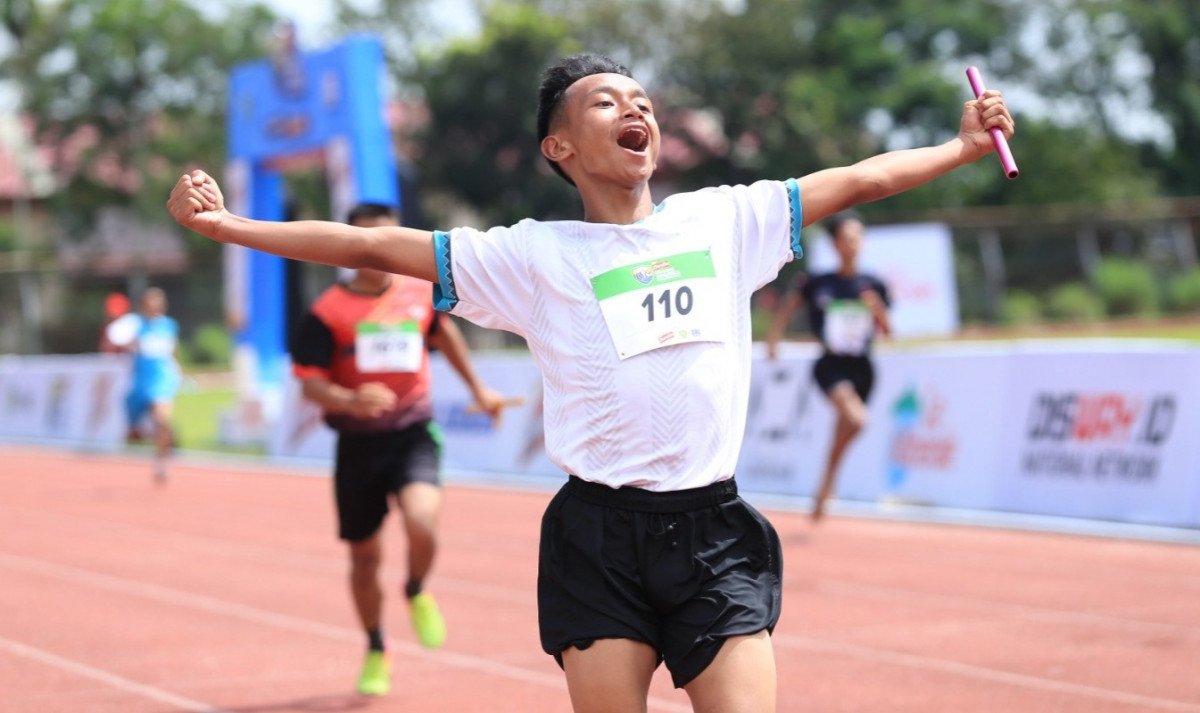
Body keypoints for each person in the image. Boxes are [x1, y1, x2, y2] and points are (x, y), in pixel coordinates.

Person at [168, 53, 1014, 713]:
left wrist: (962, 147)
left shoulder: (724, 221)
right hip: (597, 539)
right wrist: (227, 225)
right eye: (607, 101)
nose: (635, 108)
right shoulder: (531, 255)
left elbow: (863, 179)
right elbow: (369, 249)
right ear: (560, 147)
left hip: (714, 530)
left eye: (642, 99)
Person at [289, 202, 512, 696]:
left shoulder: (417, 294)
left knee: (421, 522)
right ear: (349, 247)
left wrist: (479, 389)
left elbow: (444, 333)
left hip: (413, 434)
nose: (382, 252)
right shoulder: (326, 314)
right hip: (358, 446)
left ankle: (414, 588)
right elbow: (309, 385)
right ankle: (375, 646)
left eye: (390, 240)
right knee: (365, 560)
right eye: (370, 241)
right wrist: (350, 398)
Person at [765, 211, 890, 521]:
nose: (854, 244)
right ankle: (827, 483)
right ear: (835, 244)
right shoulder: (820, 282)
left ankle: (824, 487)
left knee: (842, 430)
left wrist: (876, 309)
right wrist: (774, 338)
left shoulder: (873, 284)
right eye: (847, 238)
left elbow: (888, 331)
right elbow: (790, 304)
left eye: (858, 237)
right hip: (830, 365)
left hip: (863, 367)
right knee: (857, 421)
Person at [105, 287, 180, 482]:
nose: (154, 306)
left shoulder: (169, 325)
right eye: (150, 302)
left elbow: (171, 351)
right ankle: (146, 432)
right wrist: (130, 342)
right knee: (133, 430)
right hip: (140, 380)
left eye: (158, 302)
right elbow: (116, 336)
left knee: (162, 417)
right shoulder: (135, 324)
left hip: (162, 379)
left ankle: (162, 461)